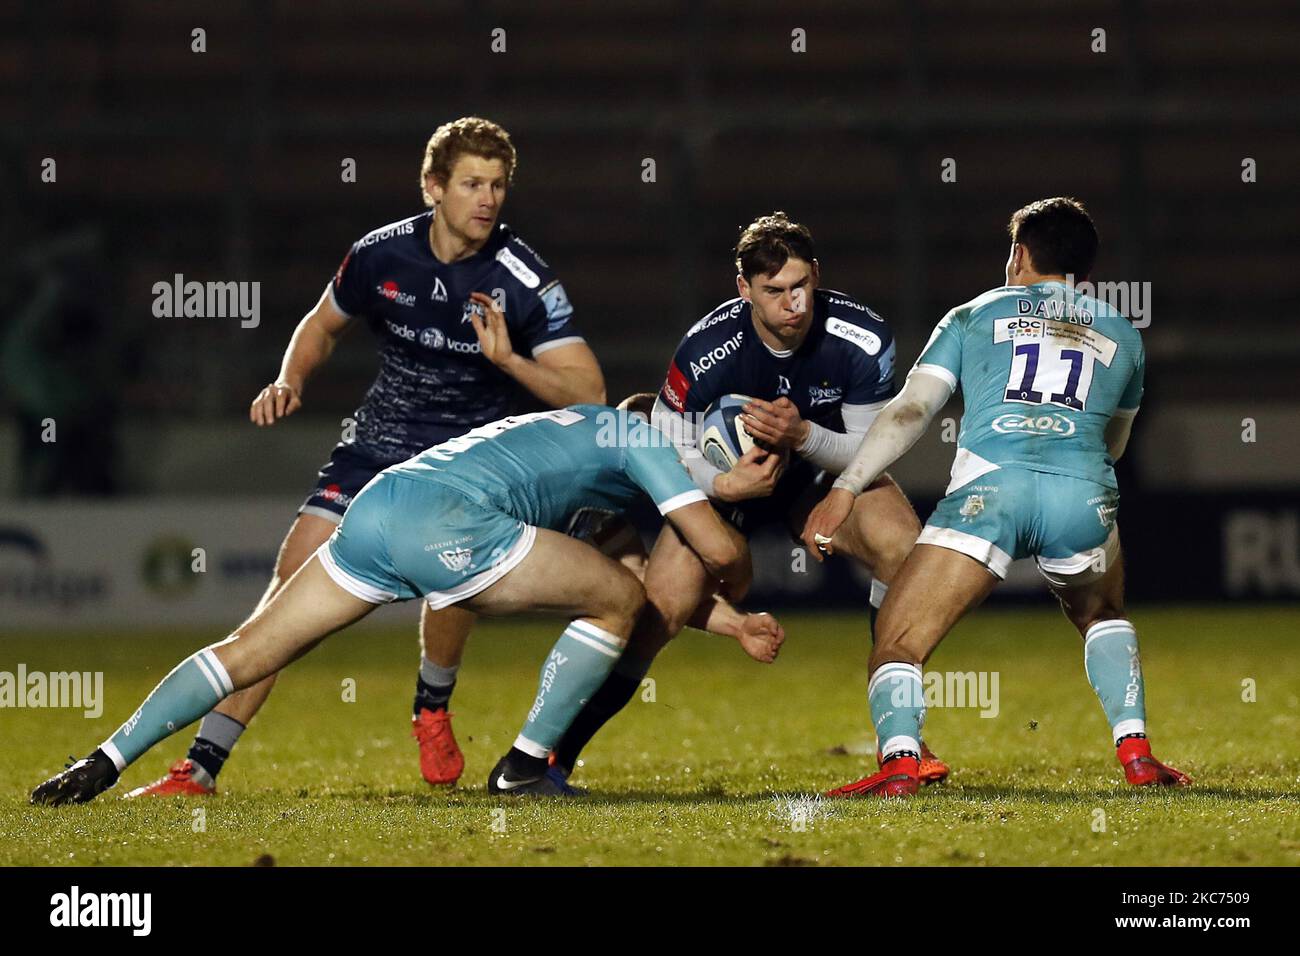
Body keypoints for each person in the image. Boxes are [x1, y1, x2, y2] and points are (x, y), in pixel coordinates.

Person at [129, 117, 605, 797]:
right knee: (283, 599)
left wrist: (509, 360)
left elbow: (588, 391)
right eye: (472, 183)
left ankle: (432, 707)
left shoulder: (521, 276)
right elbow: (321, 326)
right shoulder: (381, 255)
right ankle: (201, 767)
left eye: (498, 185)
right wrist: (291, 378)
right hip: (373, 450)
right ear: (433, 186)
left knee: (452, 586)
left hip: (464, 466)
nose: (488, 199)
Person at [31, 405, 757, 806]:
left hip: (380, 508)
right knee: (613, 600)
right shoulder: (643, 438)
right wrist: (738, 500)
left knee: (250, 648)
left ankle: (104, 759)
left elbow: (637, 584)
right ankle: (525, 767)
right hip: (449, 522)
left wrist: (729, 623)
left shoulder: (585, 437)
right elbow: (718, 555)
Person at [803, 197, 1190, 797]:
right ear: (1084, 268)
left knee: (898, 643)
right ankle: (1137, 753)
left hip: (991, 491)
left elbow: (910, 411)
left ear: (1018, 254)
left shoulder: (973, 315)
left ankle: (902, 763)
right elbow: (1113, 444)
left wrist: (847, 488)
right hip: (1081, 496)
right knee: (1103, 614)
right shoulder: (1123, 334)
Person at [544, 212, 948, 786]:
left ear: (818, 277)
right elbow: (665, 453)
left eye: (802, 286)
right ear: (744, 290)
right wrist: (725, 485)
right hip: (720, 489)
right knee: (659, 610)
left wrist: (802, 436)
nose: (794, 305)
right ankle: (552, 757)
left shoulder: (861, 337)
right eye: (775, 291)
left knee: (905, 551)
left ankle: (901, 738)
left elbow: (869, 448)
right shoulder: (705, 349)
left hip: (815, 474)